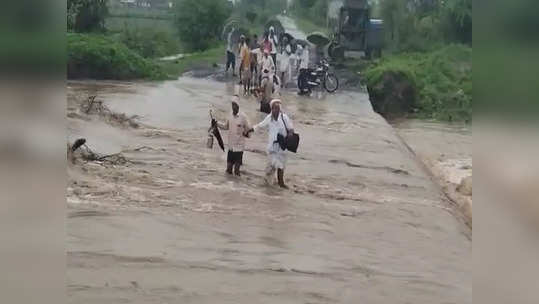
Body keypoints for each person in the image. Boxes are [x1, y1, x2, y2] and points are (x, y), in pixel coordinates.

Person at [244, 99, 294, 188]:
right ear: (271, 109)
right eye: (275, 108)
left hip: (282, 147)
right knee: (275, 167)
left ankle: (277, 185)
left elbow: (290, 129)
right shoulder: (269, 118)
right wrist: (249, 130)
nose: (277, 110)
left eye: (278, 108)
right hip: (272, 148)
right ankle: (277, 185)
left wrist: (290, 135)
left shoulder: (284, 117)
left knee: (277, 167)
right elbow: (260, 125)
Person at [215, 95, 251, 176]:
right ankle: (230, 186)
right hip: (231, 147)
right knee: (228, 170)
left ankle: (238, 186)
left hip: (239, 148)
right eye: (232, 105)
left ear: (238, 105)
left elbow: (249, 129)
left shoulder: (243, 117)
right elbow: (226, 126)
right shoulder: (230, 115)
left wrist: (246, 134)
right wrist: (216, 123)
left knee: (237, 171)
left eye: (235, 105)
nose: (233, 107)